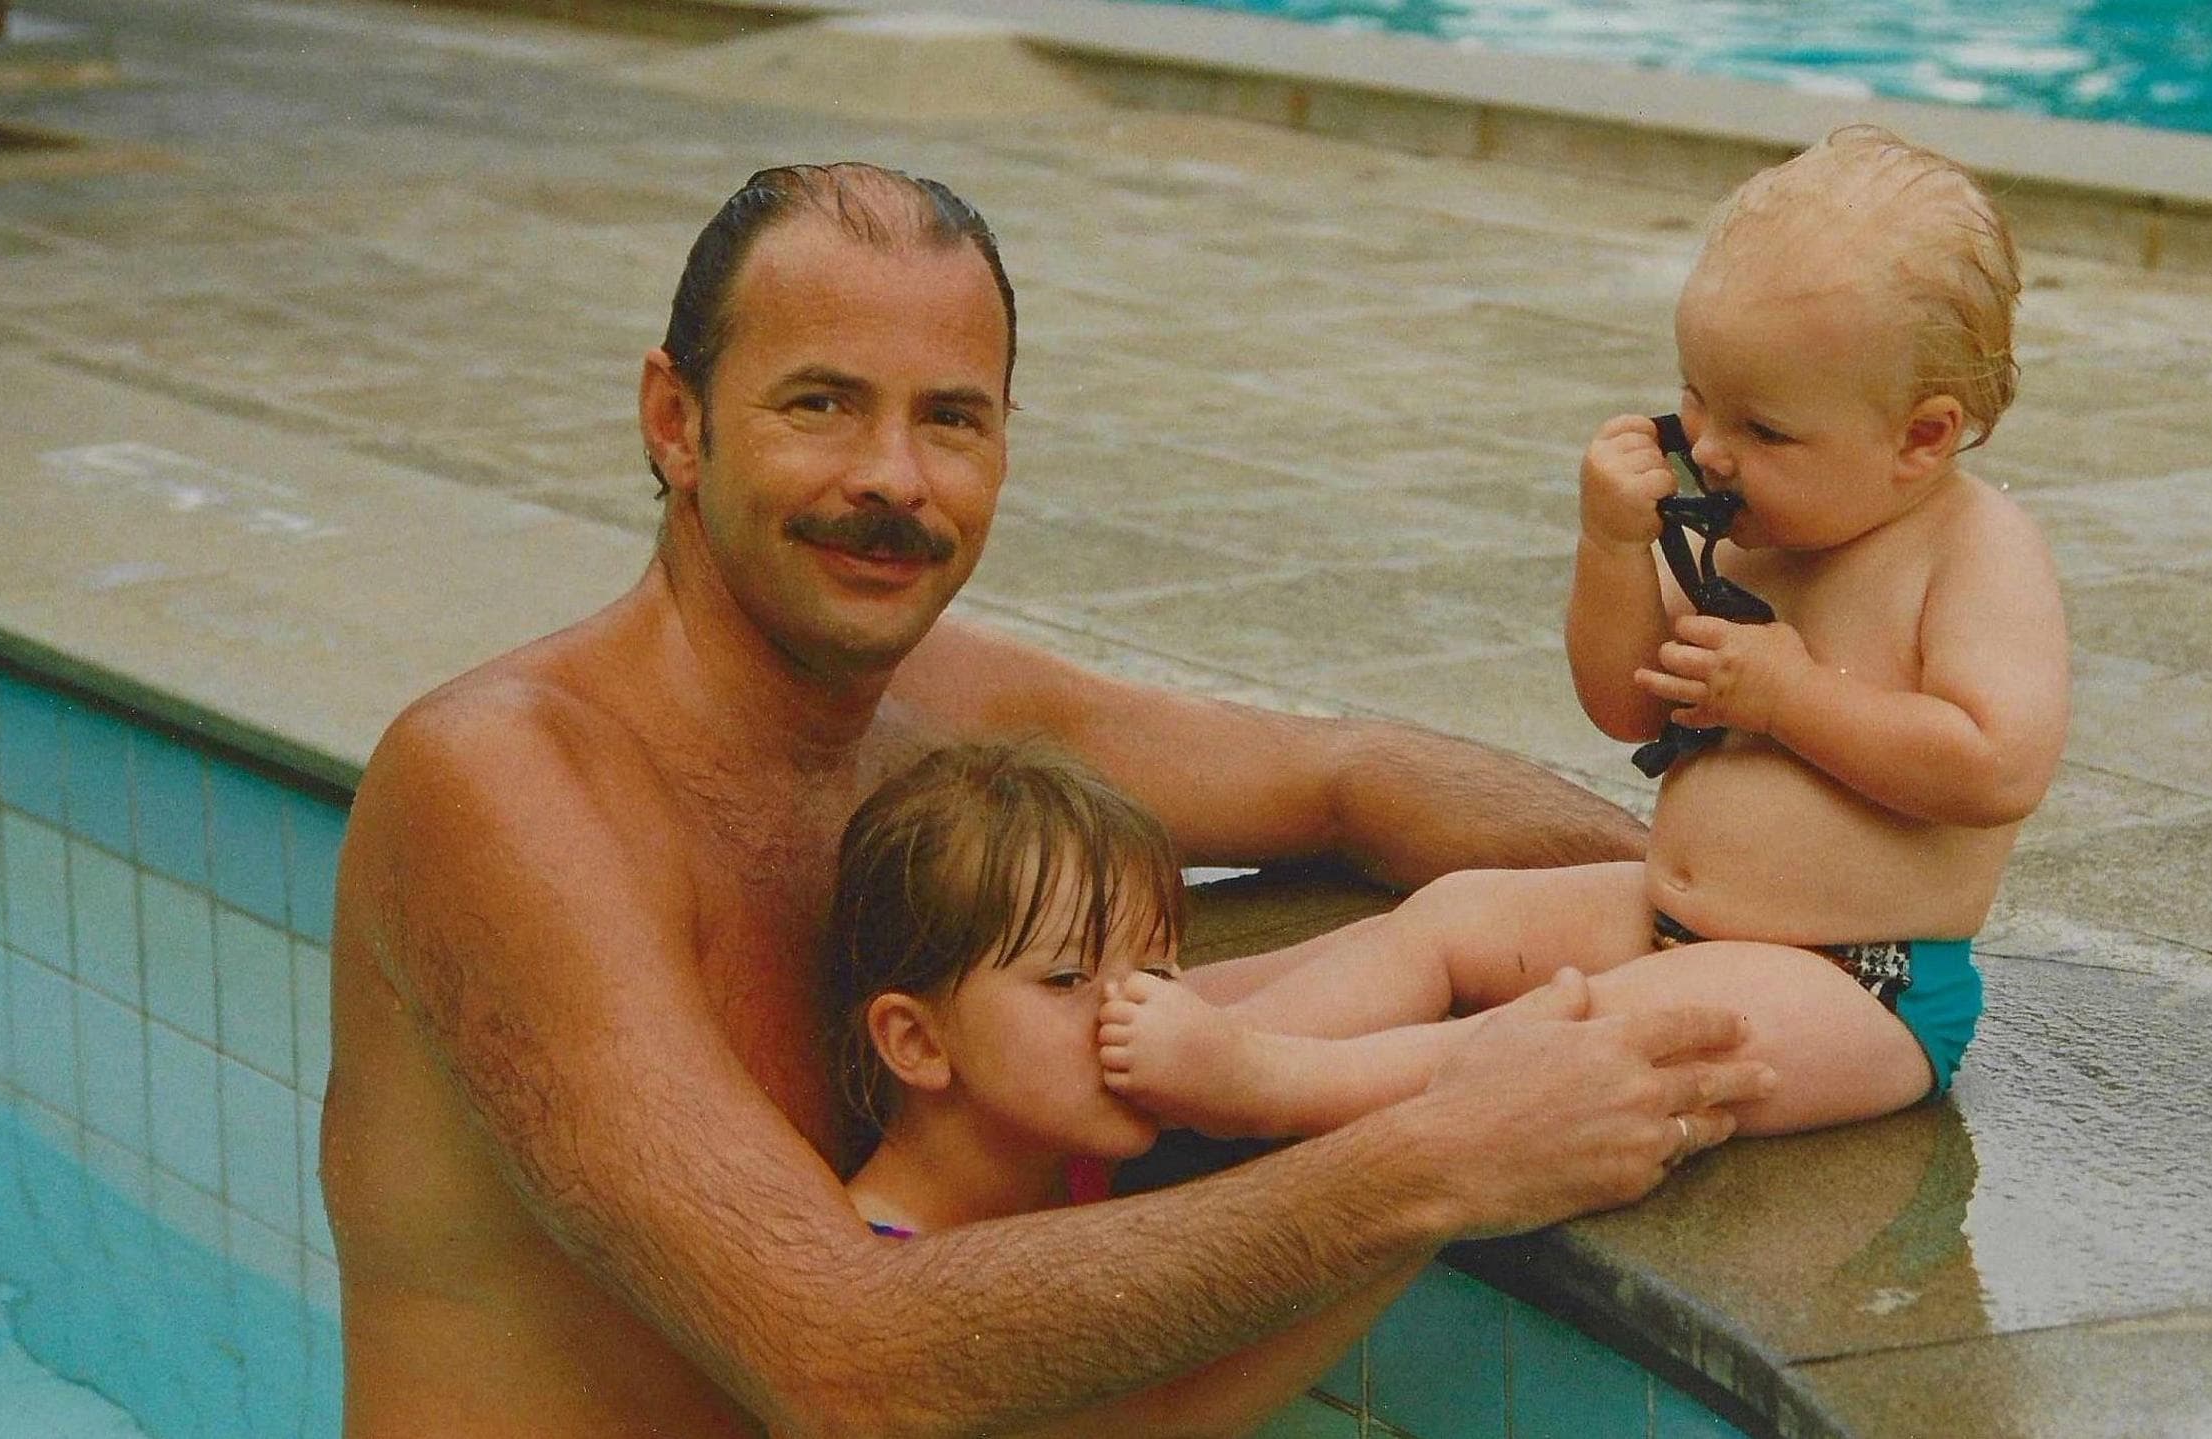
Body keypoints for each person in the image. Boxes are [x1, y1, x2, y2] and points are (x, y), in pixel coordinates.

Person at [322, 160, 1778, 1439]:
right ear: (677, 420)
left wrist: (1811, 924)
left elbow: (1354, 782)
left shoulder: (937, 709)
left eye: (951, 419)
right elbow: (840, 1357)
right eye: (821, 404)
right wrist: (1443, 1149)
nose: (893, 480)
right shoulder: (505, 784)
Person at [1097, 126, 2070, 1144]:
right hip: (1668, 915)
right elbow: (1625, 704)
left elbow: (1994, 766)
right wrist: (1610, 546)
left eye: (1765, 430)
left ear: (1921, 436)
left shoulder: (1973, 548)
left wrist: (1789, 698)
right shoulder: (1753, 528)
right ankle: (1198, 1020)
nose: (1710, 450)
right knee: (1457, 911)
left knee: (1591, 1031)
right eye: (1696, 398)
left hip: (1858, 980)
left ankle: (1276, 1082)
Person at [826, 740, 1458, 1437]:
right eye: (1068, 979)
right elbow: (1163, 1417)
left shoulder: (1063, 1161)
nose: (1136, 1014)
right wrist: (1431, 1180)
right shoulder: (888, 1281)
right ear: (916, 1041)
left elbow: (1394, 957)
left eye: (1157, 974)